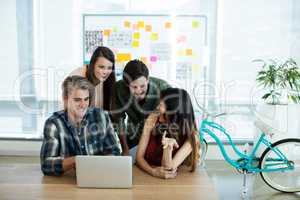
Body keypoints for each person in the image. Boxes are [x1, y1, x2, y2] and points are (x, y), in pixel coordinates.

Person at [40, 76, 121, 176]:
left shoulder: (102, 116)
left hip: (100, 178)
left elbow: (115, 152)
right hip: (68, 184)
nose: (83, 105)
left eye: (86, 99)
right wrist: (76, 161)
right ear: (65, 99)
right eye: (77, 100)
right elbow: (46, 165)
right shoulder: (54, 124)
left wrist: (96, 164)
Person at [136, 88, 200, 179]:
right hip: (146, 171)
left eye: (161, 106)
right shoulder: (154, 117)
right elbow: (139, 157)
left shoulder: (192, 138)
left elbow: (168, 170)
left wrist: (168, 148)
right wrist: (153, 172)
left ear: (175, 115)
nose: (157, 108)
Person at [114, 59, 170, 156]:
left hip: (157, 138)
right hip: (133, 138)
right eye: (134, 87)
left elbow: (174, 116)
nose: (139, 91)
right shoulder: (118, 89)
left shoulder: (163, 87)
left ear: (148, 79)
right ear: (127, 84)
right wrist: (125, 149)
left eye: (142, 86)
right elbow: (119, 120)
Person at [70, 46, 116, 111]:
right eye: (101, 67)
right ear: (93, 65)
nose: (105, 72)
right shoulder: (77, 77)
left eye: (109, 68)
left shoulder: (109, 81)